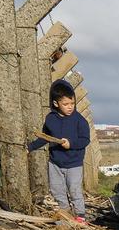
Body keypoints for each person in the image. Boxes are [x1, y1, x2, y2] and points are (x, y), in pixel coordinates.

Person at [28, 79, 91, 222]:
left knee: (74, 190)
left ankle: (80, 216)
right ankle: (65, 212)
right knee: (56, 190)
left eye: (72, 103)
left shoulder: (80, 120)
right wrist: (30, 147)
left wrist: (71, 144)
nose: (70, 107)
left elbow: (85, 140)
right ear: (56, 104)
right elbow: (45, 137)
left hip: (74, 163)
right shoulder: (50, 119)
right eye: (66, 104)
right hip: (55, 162)